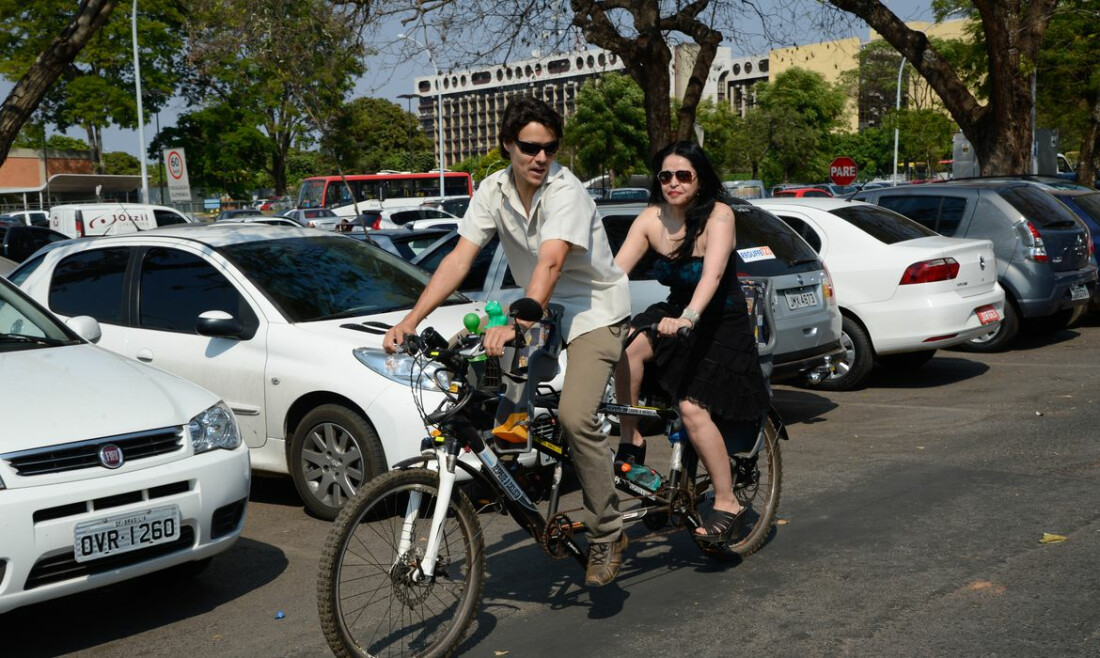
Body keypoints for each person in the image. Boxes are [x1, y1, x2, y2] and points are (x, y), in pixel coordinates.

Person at [382, 96, 632, 587]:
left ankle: (607, 530)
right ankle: (524, 470)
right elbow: (458, 260)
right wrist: (410, 320)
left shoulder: (566, 190)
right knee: (486, 381)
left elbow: (551, 264)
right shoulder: (493, 190)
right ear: (507, 146)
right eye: (529, 147)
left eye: (550, 148)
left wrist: (518, 325)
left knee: (575, 415)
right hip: (538, 305)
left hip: (594, 309)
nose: (540, 157)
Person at [612, 140, 771, 542]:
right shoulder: (651, 219)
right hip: (676, 313)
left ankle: (726, 501)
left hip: (720, 321)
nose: (674, 183)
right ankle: (630, 439)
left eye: (684, 175)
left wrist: (688, 317)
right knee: (625, 347)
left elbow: (712, 276)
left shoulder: (719, 216)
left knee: (691, 408)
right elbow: (613, 274)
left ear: (700, 180)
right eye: (666, 176)